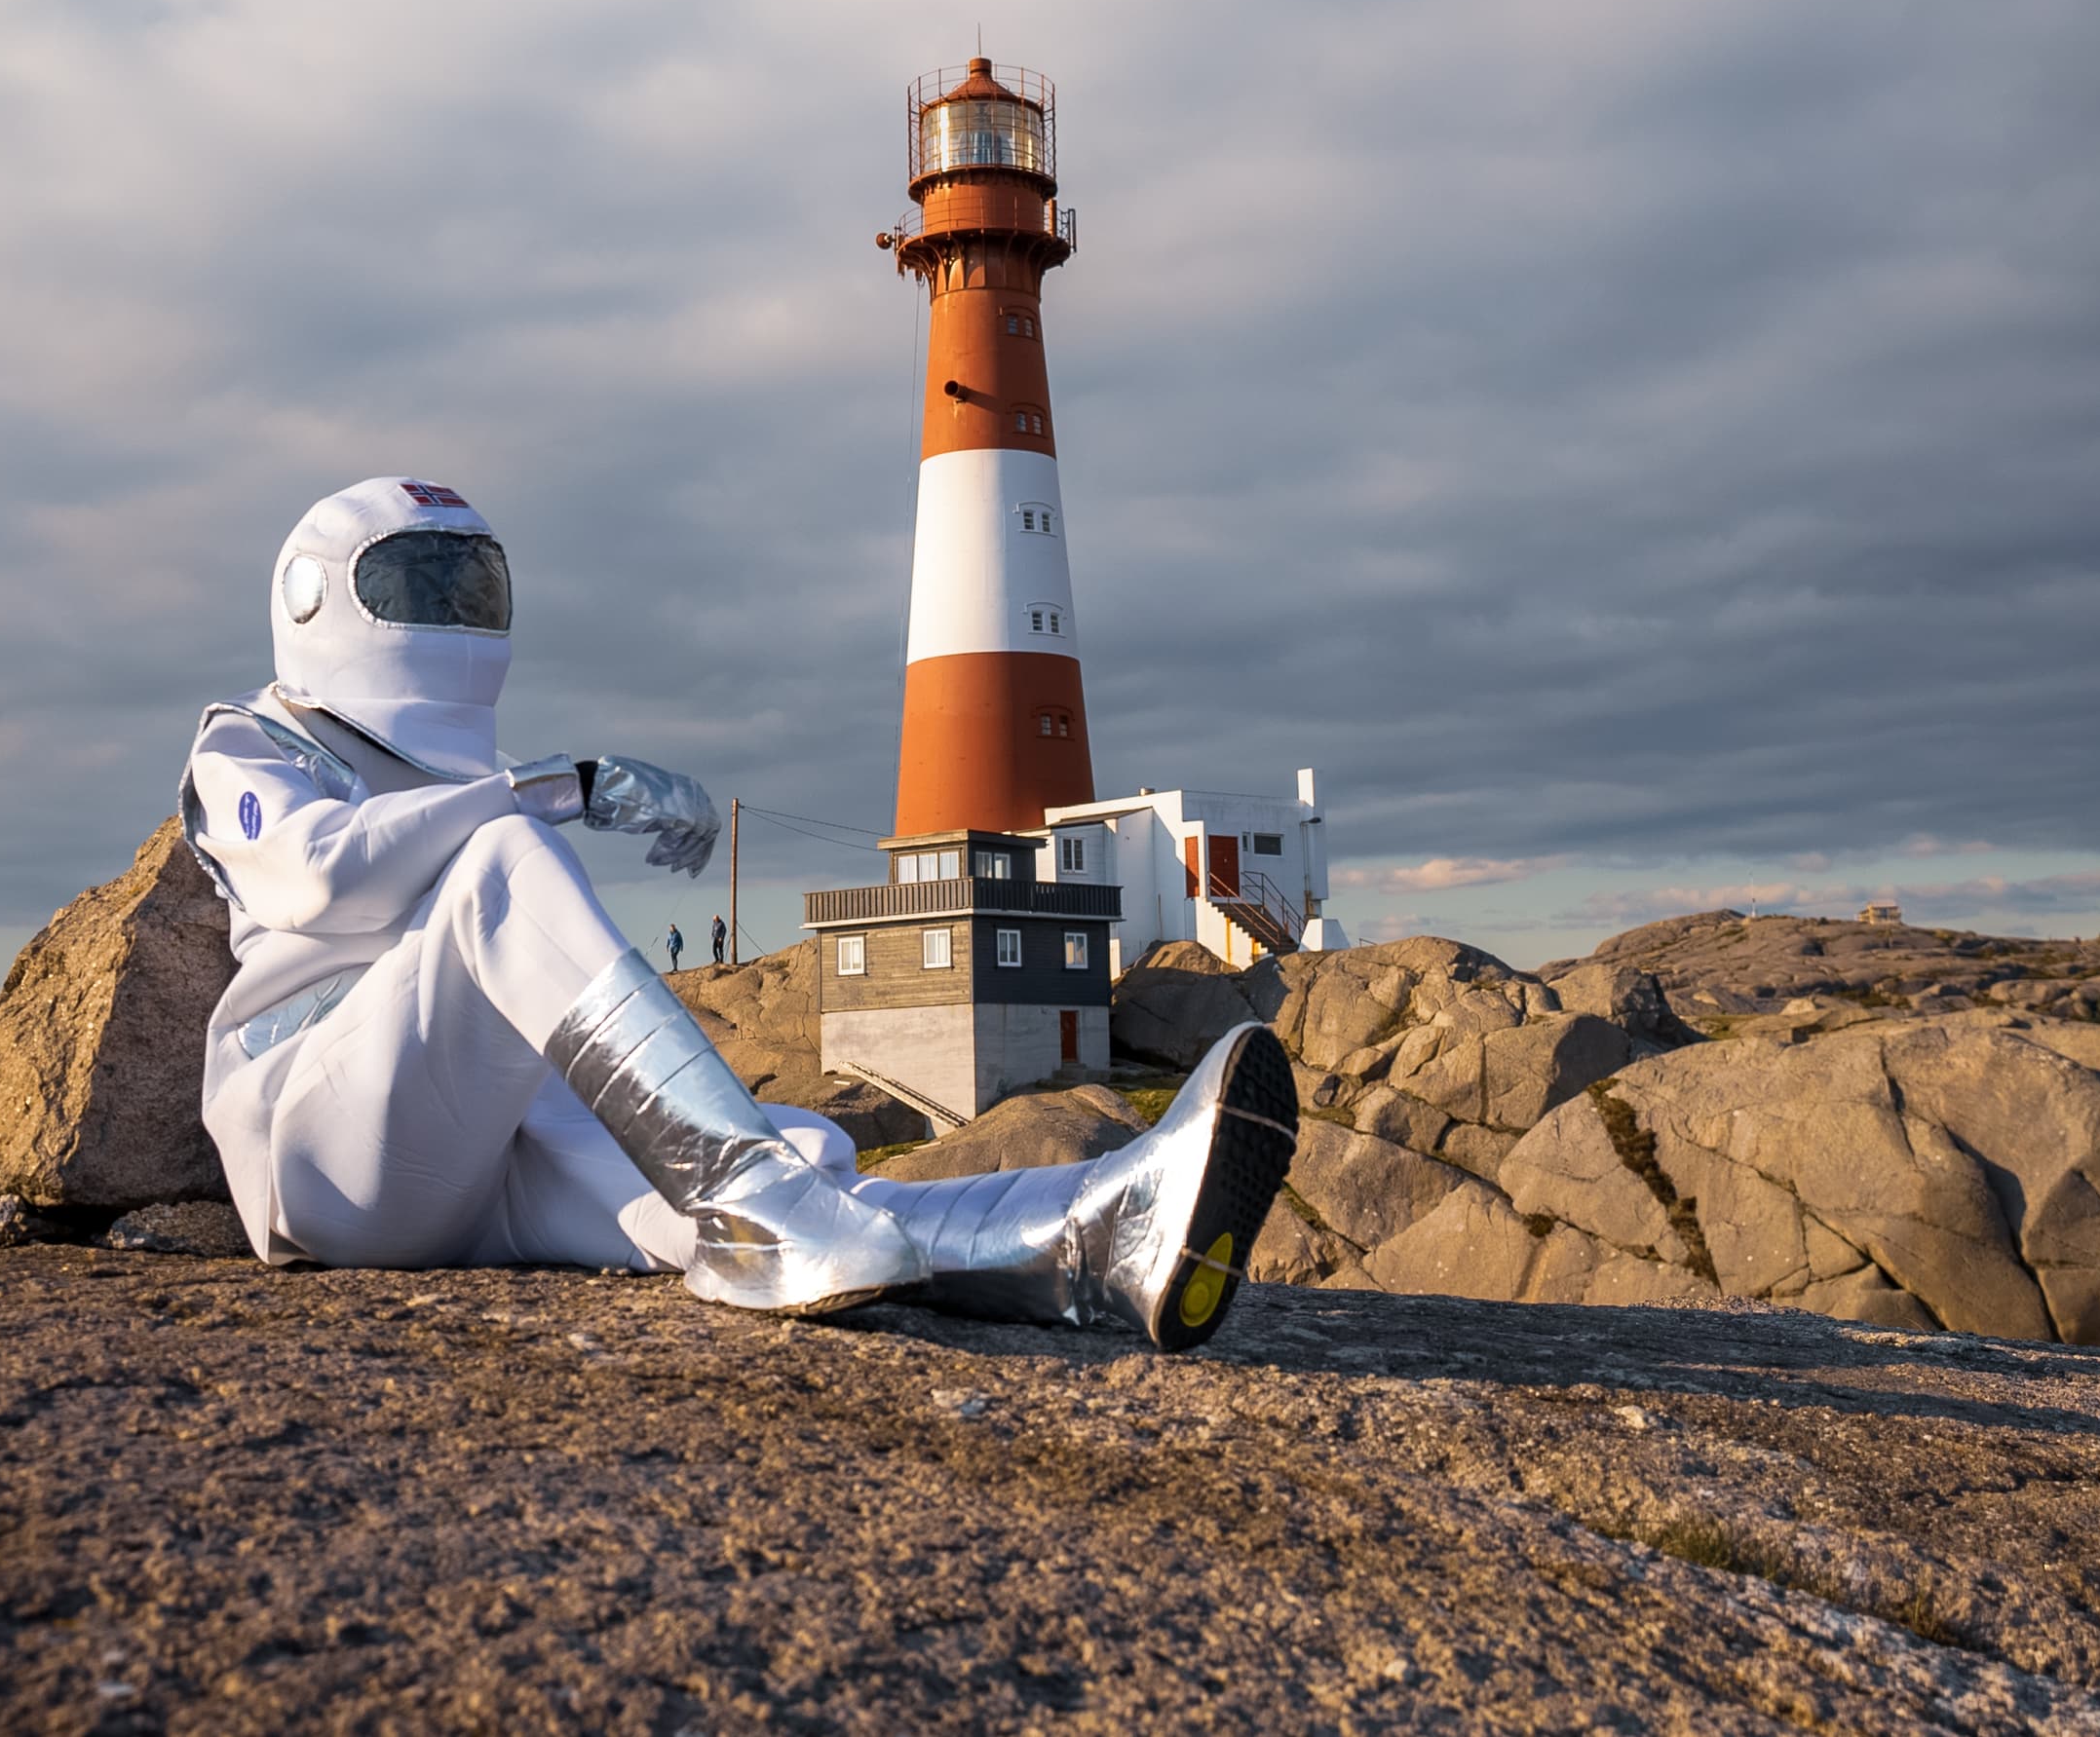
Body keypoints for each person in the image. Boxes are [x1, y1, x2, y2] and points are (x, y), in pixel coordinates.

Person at [180, 476, 1297, 1346]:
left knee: (806, 1170)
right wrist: (560, 789)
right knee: (508, 865)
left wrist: (532, 793)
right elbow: (319, 873)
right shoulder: (252, 744)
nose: (450, 610)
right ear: (312, 598)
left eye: (465, 584)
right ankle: (750, 1199)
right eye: (415, 585)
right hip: (318, 1157)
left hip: (482, 1162)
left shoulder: (469, 780)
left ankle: (1093, 1235)